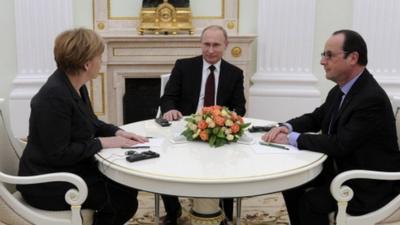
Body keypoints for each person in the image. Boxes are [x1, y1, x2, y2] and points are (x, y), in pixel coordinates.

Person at [262, 29, 400, 225]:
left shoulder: (371, 98)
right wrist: (287, 127)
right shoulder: (342, 89)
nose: (322, 61)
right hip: (342, 169)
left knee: (311, 203)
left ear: (353, 58)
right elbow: (316, 117)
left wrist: (293, 139)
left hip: (367, 184)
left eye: (329, 55)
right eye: (323, 54)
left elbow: (340, 143)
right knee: (292, 184)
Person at [17, 28, 148, 225]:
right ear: (87, 64)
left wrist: (118, 132)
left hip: (67, 169)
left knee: (125, 187)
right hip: (45, 182)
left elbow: (92, 122)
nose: (101, 62)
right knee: (121, 200)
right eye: (99, 57)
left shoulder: (75, 85)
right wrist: (104, 142)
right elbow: (58, 153)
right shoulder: (53, 98)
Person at [160, 25, 246, 225]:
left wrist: (227, 118)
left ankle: (225, 213)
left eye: (216, 45)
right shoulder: (183, 66)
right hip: (185, 128)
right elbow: (168, 98)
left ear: (226, 45)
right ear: (200, 44)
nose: (210, 50)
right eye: (206, 44)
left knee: (227, 166)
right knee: (164, 163)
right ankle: (173, 213)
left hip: (219, 129)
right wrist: (170, 109)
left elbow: (240, 107)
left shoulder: (235, 73)